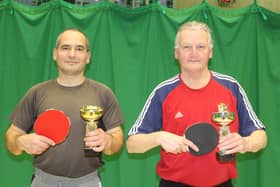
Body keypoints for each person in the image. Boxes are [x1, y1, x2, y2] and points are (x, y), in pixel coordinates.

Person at [127, 21, 267, 187]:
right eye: (186, 47)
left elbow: (261, 136)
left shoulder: (231, 87)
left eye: (201, 46)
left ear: (210, 52)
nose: (194, 53)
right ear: (176, 53)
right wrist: (159, 137)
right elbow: (132, 144)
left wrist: (245, 143)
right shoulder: (162, 92)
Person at [5, 29, 125, 187]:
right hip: (43, 181)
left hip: (88, 181)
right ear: (55, 54)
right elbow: (11, 137)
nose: (72, 54)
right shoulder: (36, 92)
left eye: (79, 49)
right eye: (66, 48)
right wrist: (20, 142)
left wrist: (108, 141)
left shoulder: (103, 93)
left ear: (88, 57)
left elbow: (117, 139)